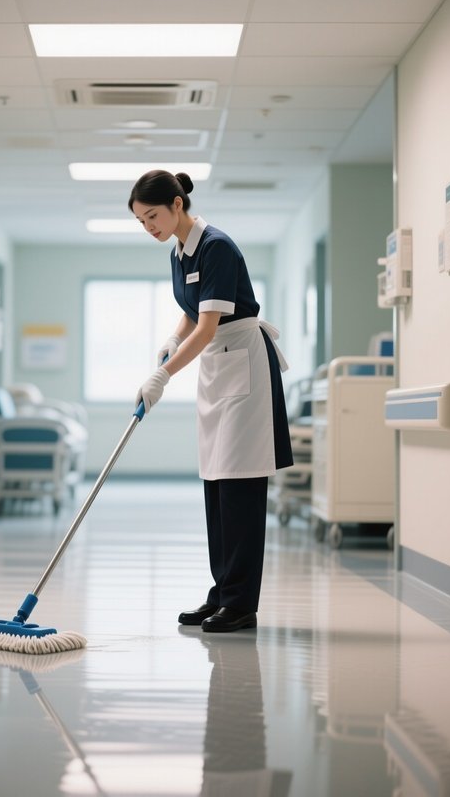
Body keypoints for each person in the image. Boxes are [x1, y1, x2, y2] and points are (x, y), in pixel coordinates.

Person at [129, 170, 293, 633]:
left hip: (242, 362)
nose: (150, 227)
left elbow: (208, 326)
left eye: (153, 216)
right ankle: (222, 592)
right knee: (216, 483)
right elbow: (191, 314)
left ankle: (241, 602)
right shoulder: (179, 252)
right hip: (217, 368)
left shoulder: (216, 245)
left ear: (177, 205)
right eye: (142, 221)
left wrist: (162, 373)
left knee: (239, 484)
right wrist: (169, 339)